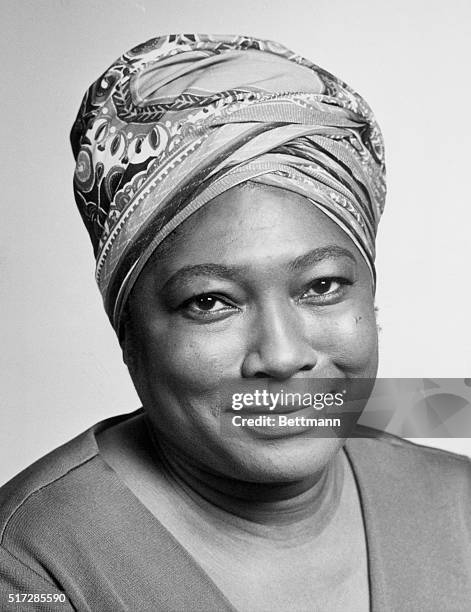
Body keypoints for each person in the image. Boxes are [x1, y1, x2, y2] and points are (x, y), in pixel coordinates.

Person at [0, 33, 470, 612]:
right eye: (210, 301)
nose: (280, 355)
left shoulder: (459, 503)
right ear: (129, 332)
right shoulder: (30, 570)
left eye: (322, 287)